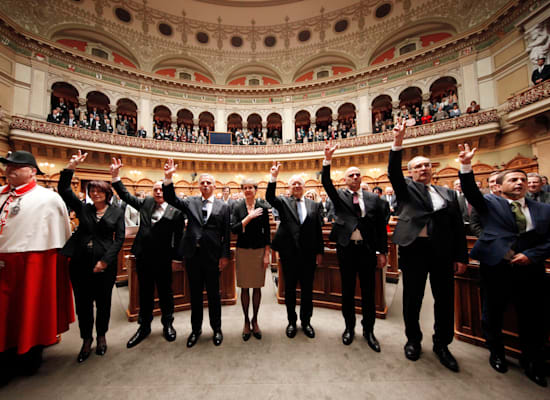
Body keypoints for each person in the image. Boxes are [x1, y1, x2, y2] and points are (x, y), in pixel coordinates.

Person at [458, 143, 550, 387]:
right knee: (493, 312)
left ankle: (533, 361)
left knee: (533, 317)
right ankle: (496, 352)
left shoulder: (544, 210)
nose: (519, 183)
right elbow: (470, 191)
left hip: (530, 270)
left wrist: (533, 254)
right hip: (497, 268)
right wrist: (466, 165)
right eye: (513, 179)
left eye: (522, 179)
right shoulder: (490, 203)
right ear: (500, 186)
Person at [388, 122, 468, 372]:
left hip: (443, 252)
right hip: (414, 250)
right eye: (417, 166)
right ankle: (413, 340)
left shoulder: (448, 194)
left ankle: (442, 344)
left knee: (444, 300)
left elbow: (458, 228)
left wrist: (461, 256)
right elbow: (393, 172)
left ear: (433, 169)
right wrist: (398, 143)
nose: (423, 168)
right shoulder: (407, 190)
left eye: (427, 165)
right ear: (410, 172)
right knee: (413, 298)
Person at [0, 151, 73, 383]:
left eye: (16, 167)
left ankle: (29, 352)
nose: (9, 170)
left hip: (32, 260)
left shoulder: (47, 198)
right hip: (4, 262)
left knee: (29, 309)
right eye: (7, 166)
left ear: (32, 171)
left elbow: (61, 232)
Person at [58, 150, 125, 363]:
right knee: (83, 304)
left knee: (104, 303)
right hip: (80, 264)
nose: (95, 194)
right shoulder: (83, 209)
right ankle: (86, 340)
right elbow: (64, 190)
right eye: (92, 191)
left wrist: (105, 261)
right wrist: (71, 167)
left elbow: (119, 239)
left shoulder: (116, 212)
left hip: (105, 265)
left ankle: (102, 337)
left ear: (107, 193)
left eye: (99, 191)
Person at [110, 158, 184, 348]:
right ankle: (144, 327)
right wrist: (116, 177)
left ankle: (168, 324)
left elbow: (178, 237)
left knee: (166, 293)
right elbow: (126, 196)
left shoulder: (176, 210)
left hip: (164, 258)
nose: (158, 192)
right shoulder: (146, 203)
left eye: (161, 189)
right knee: (145, 293)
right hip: (144, 257)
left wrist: (176, 258)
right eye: (155, 189)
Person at [322, 141, 388, 348]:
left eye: (358, 174)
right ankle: (349, 328)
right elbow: (326, 182)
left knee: (369, 293)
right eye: (351, 175)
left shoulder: (372, 198)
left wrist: (382, 251)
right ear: (345, 179)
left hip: (368, 251)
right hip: (347, 250)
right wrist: (328, 160)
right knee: (348, 291)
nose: (355, 177)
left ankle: (369, 331)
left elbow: (379, 228)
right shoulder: (339, 195)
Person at [162, 159, 230, 347]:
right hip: (193, 256)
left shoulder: (224, 206)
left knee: (214, 296)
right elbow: (171, 199)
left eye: (209, 183)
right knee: (195, 295)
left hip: (213, 257)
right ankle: (196, 330)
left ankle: (217, 329)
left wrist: (225, 256)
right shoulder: (191, 202)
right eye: (203, 182)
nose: (206, 185)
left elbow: (225, 233)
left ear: (215, 186)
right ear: (199, 186)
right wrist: (168, 178)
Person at [266, 162, 324, 339]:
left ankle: (306, 322)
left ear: (304, 186)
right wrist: (273, 177)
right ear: (289, 188)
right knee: (289, 291)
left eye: (300, 183)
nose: (297, 186)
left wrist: (319, 252)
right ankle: (291, 322)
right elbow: (269, 197)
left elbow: (317, 231)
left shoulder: (314, 205)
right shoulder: (283, 202)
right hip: (289, 255)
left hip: (308, 256)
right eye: (294, 184)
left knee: (307, 291)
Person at [231, 179, 271, 341]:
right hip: (243, 250)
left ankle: (255, 320)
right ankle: (246, 321)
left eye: (251, 188)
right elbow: (234, 229)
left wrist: (267, 253)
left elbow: (267, 232)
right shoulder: (237, 207)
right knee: (244, 288)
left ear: (255, 190)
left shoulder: (262, 206)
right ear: (242, 190)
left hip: (259, 251)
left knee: (257, 287)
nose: (248, 190)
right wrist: (248, 218)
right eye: (245, 188)